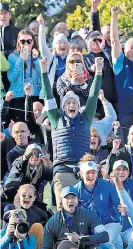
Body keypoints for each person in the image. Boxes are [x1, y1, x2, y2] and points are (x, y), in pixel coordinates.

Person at [40, 55, 102, 209]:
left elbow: (93, 96)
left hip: (83, 172)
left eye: (74, 102)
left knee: (84, 210)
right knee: (64, 209)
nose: (72, 105)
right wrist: (43, 71)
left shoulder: (86, 118)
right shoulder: (56, 118)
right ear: (63, 107)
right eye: (68, 103)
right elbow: (48, 95)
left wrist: (99, 72)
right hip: (62, 171)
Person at [38, 186, 109, 249]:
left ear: (77, 199)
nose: (70, 200)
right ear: (61, 201)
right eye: (67, 198)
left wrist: (80, 239)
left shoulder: (88, 215)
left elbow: (105, 236)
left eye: (73, 197)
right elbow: (45, 248)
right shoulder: (53, 221)